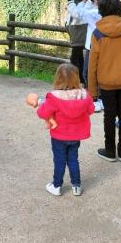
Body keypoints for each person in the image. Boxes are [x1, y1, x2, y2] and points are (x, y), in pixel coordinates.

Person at [33, 63, 95, 196]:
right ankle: (76, 186)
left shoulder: (54, 97)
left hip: (59, 136)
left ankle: (57, 185)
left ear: (57, 79)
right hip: (76, 136)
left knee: (59, 160)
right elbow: (91, 110)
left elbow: (42, 113)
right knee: (73, 160)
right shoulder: (84, 95)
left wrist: (41, 104)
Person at [87, 0, 121, 163]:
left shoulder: (97, 33)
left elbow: (92, 64)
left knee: (109, 116)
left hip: (106, 82)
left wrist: (92, 91)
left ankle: (110, 150)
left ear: (101, 10)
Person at [71, 0, 104, 111]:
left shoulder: (92, 13)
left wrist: (85, 0)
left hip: (91, 47)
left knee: (87, 72)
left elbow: (78, 13)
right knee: (99, 72)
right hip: (102, 46)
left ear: (94, 0)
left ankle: (93, 99)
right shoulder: (103, 12)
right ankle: (100, 98)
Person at [66, 0, 92, 86]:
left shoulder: (88, 1)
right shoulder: (80, 1)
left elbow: (77, 14)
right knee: (78, 58)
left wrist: (70, 2)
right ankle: (79, 80)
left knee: (76, 58)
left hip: (81, 32)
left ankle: (78, 81)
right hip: (76, 32)